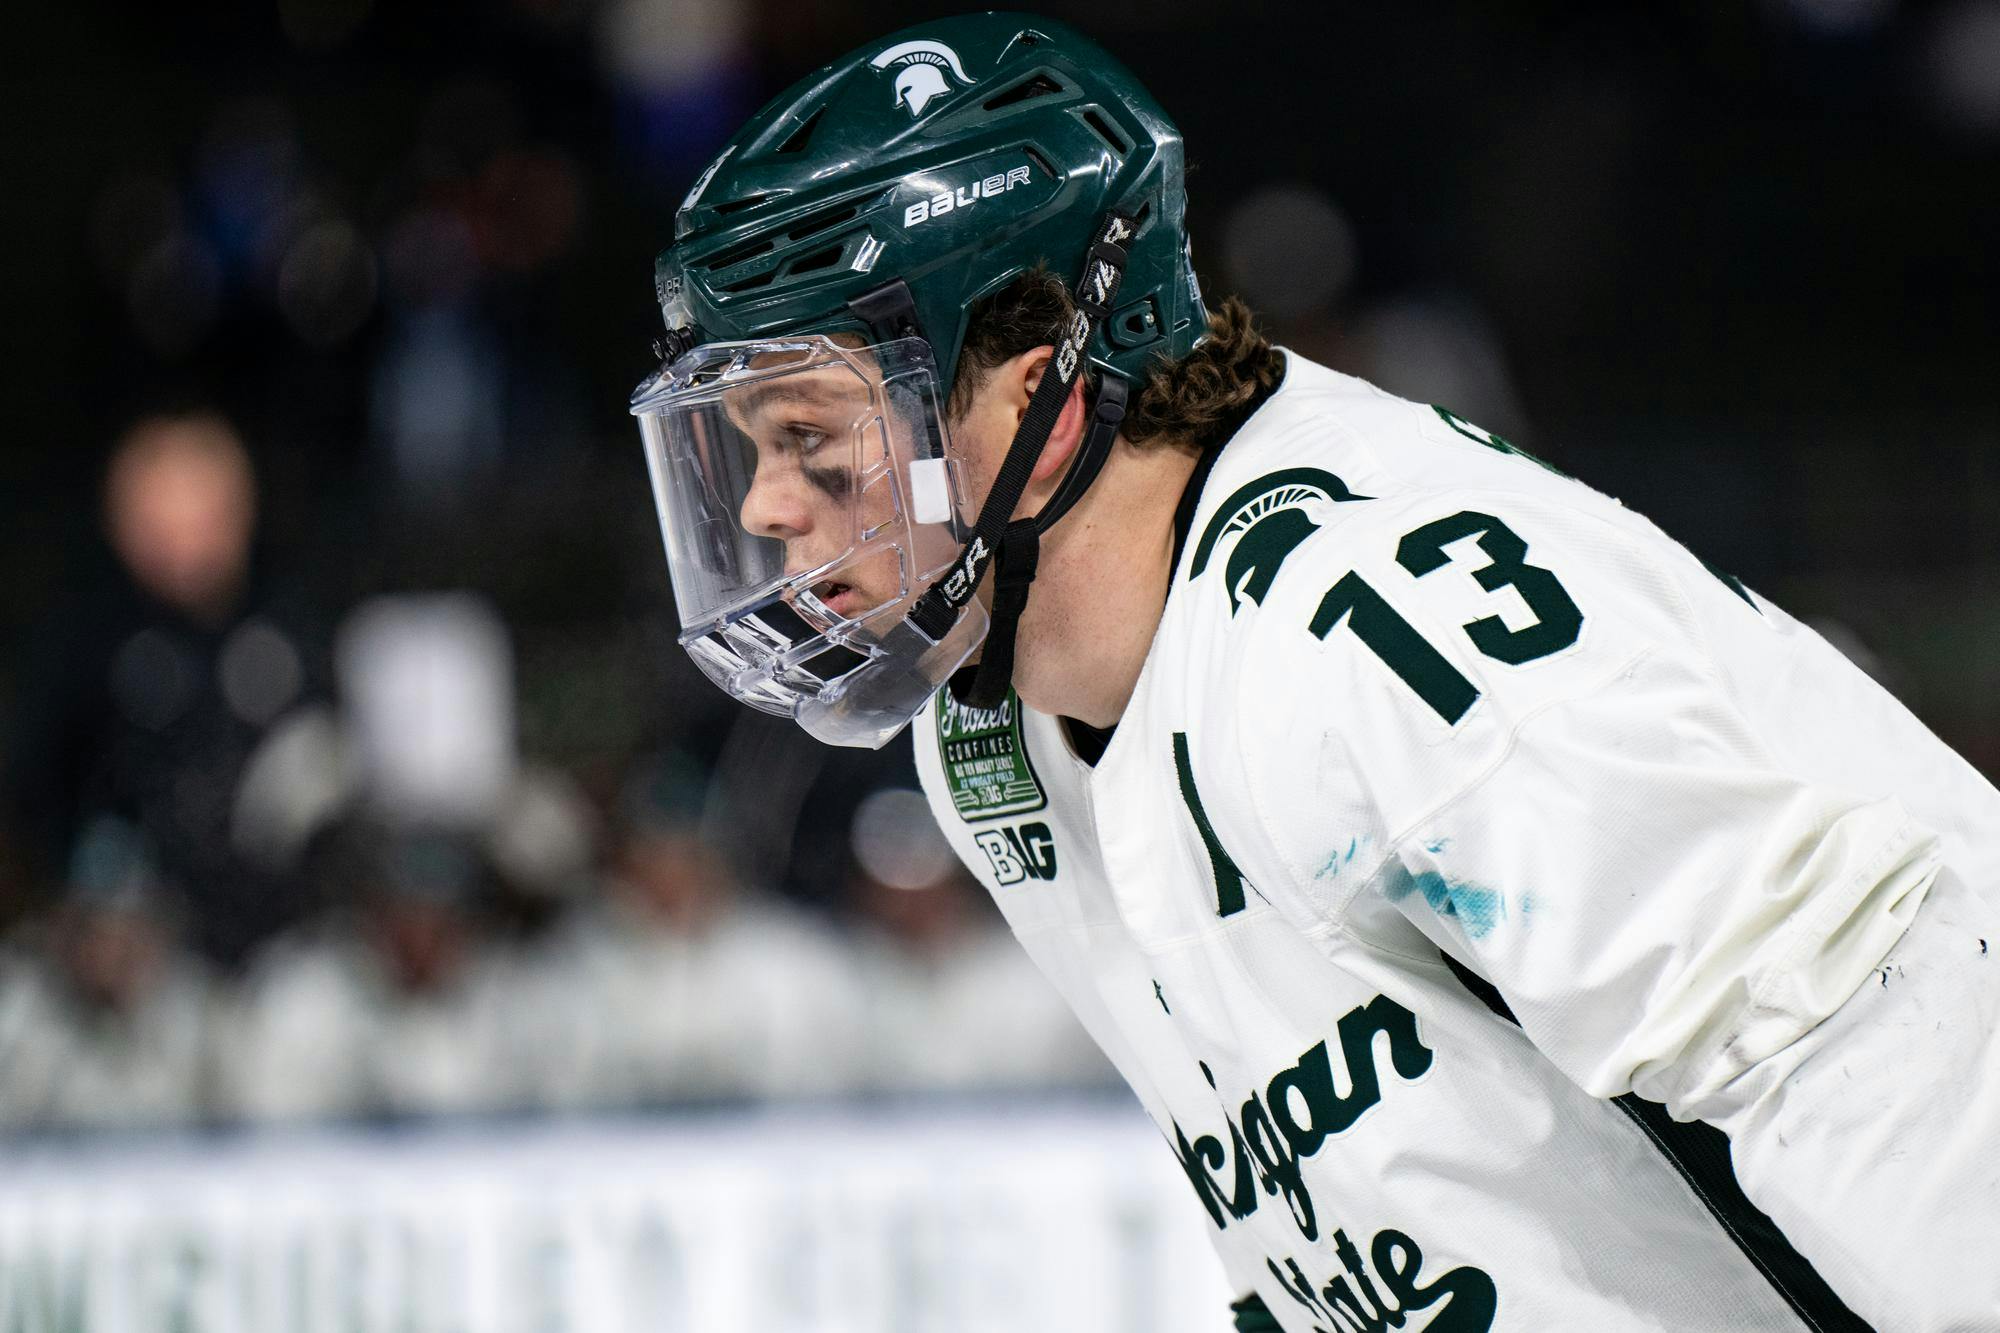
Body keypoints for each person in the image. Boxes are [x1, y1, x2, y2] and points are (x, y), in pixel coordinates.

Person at [626, 15, 1999, 1330]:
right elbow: (1319, 1230)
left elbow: (1888, 1058)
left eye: (811, 438)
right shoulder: (995, 734)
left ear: (1034, 403)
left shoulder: (1372, 643)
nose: (763, 510)